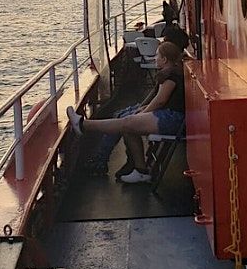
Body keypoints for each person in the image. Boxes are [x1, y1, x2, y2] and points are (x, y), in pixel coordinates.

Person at [67, 41, 185, 183]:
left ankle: (83, 125)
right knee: (128, 125)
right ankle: (140, 170)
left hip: (172, 119)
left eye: (157, 55)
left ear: (164, 59)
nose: (155, 58)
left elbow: (160, 100)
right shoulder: (172, 73)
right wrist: (143, 109)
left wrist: (143, 113)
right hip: (170, 116)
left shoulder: (170, 78)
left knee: (127, 122)